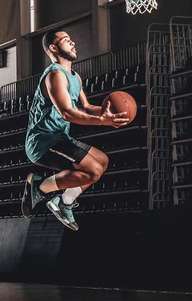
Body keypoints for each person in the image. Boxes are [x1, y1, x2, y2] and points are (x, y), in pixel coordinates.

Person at [21, 29, 129, 231]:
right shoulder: (54, 75)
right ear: (54, 48)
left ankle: (64, 202)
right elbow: (67, 113)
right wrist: (103, 122)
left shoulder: (74, 76)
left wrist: (110, 113)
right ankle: (40, 187)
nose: (72, 43)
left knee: (103, 161)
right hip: (43, 142)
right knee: (93, 170)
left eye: (71, 39)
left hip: (60, 138)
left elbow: (86, 107)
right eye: (65, 40)